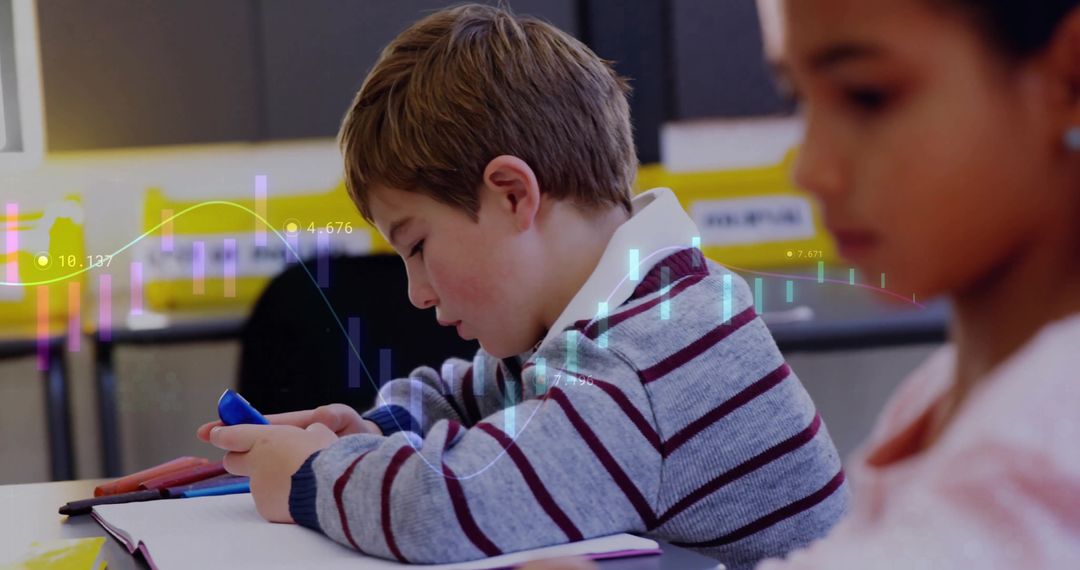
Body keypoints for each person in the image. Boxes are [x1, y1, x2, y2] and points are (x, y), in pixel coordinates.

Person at [197, 4, 848, 568]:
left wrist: (310, 476)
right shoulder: (613, 313)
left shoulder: (648, 357)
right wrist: (366, 430)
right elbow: (472, 396)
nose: (416, 294)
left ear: (513, 196)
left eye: (418, 247)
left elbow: (453, 508)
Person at [523, 0, 1080, 567]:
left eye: (868, 96)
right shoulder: (947, 392)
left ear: (1070, 77)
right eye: (797, 98)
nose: (809, 168)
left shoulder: (1043, 457)